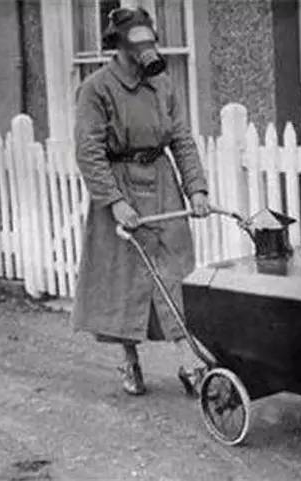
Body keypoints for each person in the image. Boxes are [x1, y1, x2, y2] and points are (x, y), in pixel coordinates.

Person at [71, 7, 210, 396]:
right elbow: (89, 152)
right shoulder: (96, 89)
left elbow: (181, 140)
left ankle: (188, 361)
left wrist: (196, 188)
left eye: (150, 40)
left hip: (162, 182)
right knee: (123, 277)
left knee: (176, 271)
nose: (146, 49)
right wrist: (114, 201)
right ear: (118, 46)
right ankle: (128, 359)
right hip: (121, 184)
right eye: (137, 42)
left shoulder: (163, 85)